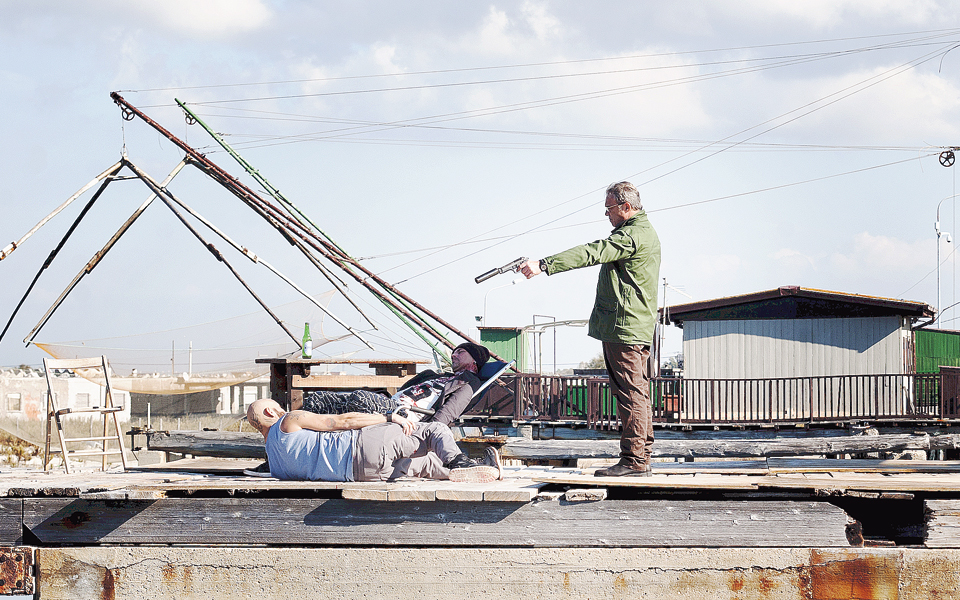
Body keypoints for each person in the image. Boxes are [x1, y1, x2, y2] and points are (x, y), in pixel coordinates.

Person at [519, 181, 661, 477]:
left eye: (609, 208)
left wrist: (544, 265)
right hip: (635, 326)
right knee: (638, 393)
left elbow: (591, 252)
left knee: (631, 395)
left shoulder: (630, 236)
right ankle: (641, 457)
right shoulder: (643, 232)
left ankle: (634, 460)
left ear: (626, 207)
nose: (606, 214)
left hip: (624, 327)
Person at [245, 398, 503, 482]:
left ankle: (480, 471)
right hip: (360, 446)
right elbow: (343, 422)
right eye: (277, 406)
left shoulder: (275, 463)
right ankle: (459, 462)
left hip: (362, 474)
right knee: (431, 430)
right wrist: (389, 416)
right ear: (270, 412)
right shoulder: (288, 420)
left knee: (423, 463)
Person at [299, 342, 491, 427]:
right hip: (390, 403)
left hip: (404, 414)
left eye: (460, 352)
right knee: (318, 399)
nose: (453, 355)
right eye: (454, 352)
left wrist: (428, 435)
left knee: (360, 398)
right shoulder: (436, 375)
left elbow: (449, 411)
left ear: (474, 362)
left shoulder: (468, 383)